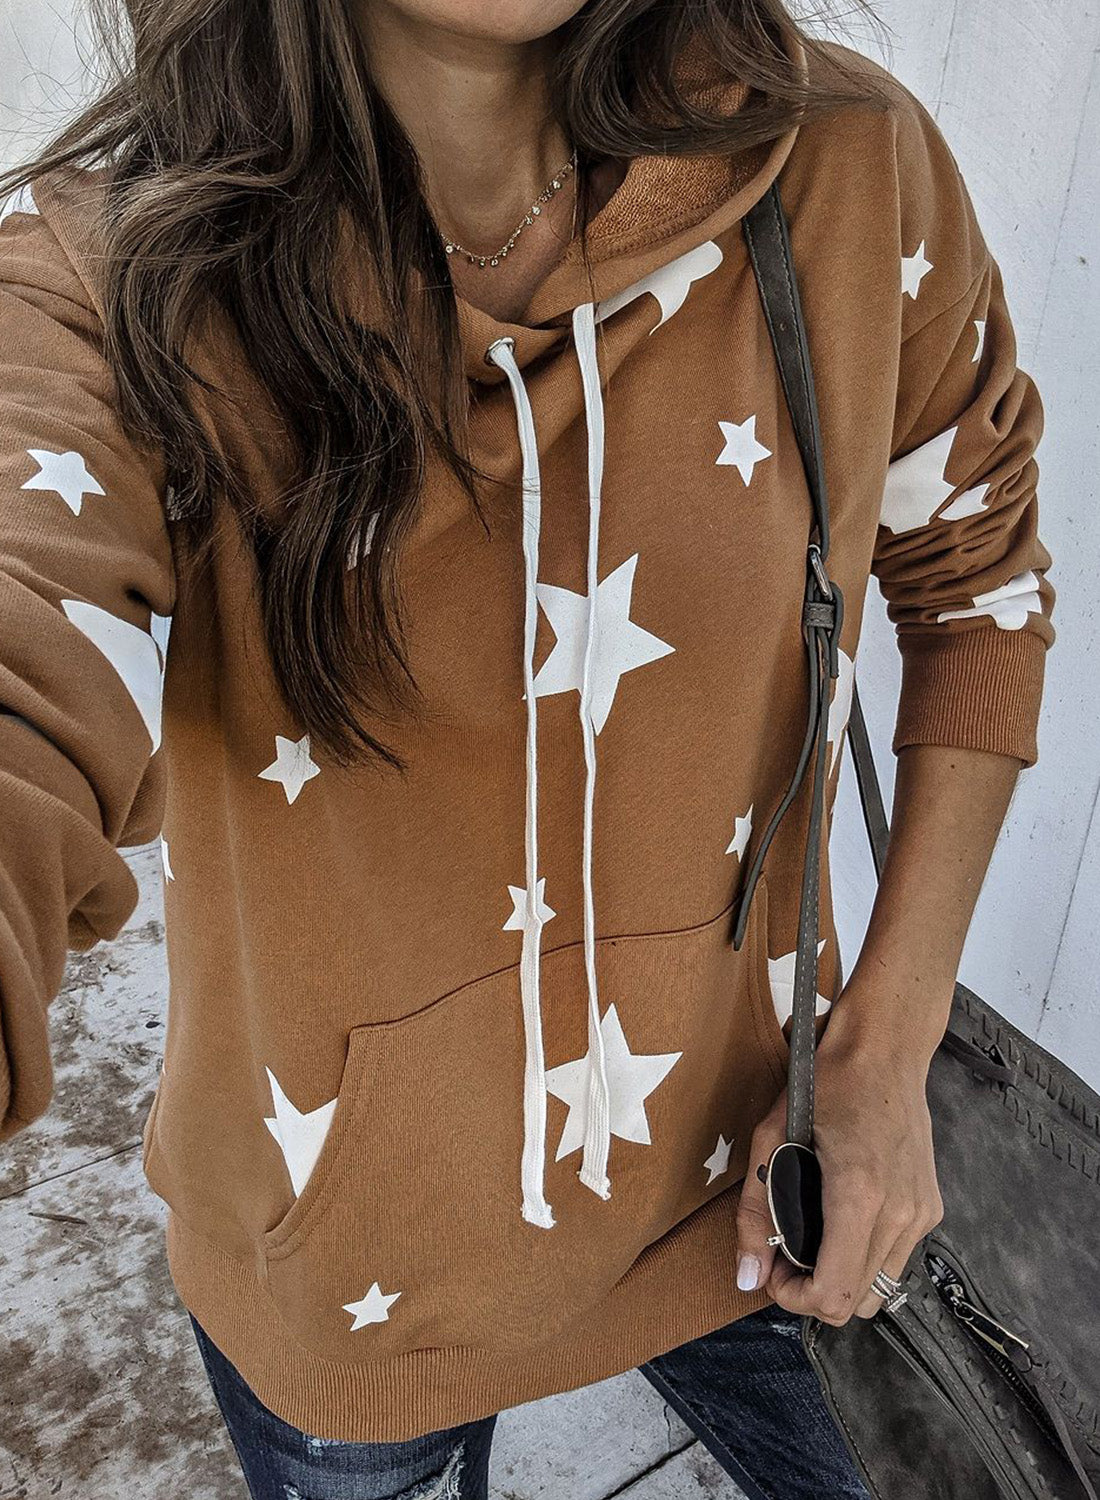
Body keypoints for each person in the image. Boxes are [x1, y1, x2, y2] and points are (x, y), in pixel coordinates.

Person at [0, 0, 1055, 1496]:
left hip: (769, 1172)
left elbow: (978, 585)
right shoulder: (113, 283)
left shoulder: (846, 167)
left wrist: (887, 1051)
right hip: (354, 1286)